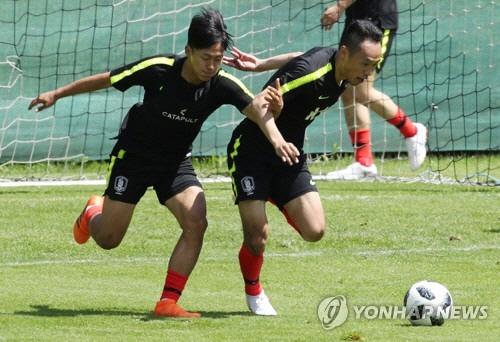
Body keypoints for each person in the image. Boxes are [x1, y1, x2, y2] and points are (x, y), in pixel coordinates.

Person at [28, 8, 299, 318]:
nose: (212, 65)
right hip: (135, 158)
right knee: (109, 240)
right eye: (206, 57)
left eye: (218, 58)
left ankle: (168, 301)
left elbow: (256, 110)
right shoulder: (159, 68)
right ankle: (92, 213)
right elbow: (106, 79)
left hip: (175, 163)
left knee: (196, 220)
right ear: (189, 51)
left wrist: (276, 132)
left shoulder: (223, 83)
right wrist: (57, 94)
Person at [223, 19, 384, 315]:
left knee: (315, 230)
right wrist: (277, 141)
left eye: (374, 63)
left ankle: (273, 196)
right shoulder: (311, 74)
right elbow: (259, 106)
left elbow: (300, 54)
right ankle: (254, 292)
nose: (369, 71)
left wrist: (261, 64)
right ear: (345, 53)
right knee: (257, 239)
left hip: (288, 156)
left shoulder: (346, 71)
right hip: (252, 153)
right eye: (366, 63)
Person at [320, 0, 427, 180]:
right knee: (349, 91)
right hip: (356, 21)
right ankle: (364, 163)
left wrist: (339, 6)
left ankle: (412, 132)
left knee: (360, 91)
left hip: (378, 21)